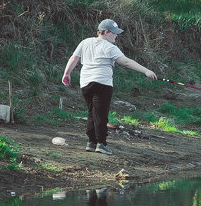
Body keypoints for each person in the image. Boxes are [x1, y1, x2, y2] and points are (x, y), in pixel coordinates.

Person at [61, 18, 157, 155]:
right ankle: (101, 144)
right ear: (106, 32)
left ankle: (91, 142)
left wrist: (67, 73)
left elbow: (74, 58)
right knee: (101, 114)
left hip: (86, 84)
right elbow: (126, 62)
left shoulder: (85, 42)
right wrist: (146, 71)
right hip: (102, 84)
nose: (116, 36)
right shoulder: (110, 47)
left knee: (92, 112)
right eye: (114, 33)